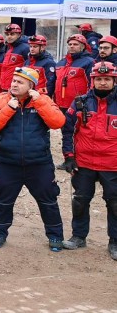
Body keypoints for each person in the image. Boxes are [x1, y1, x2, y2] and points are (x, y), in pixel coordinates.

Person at [0, 67, 67, 251]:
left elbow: (58, 122)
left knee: (48, 201)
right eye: (13, 80)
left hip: (39, 164)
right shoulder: (2, 100)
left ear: (31, 86)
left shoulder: (43, 100)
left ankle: (55, 236)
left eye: (20, 82)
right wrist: (9, 108)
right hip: (8, 163)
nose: (14, 84)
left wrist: (39, 102)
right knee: (3, 201)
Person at [60, 61, 117, 259]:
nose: (103, 82)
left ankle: (115, 241)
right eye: (99, 79)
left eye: (107, 79)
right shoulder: (80, 103)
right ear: (93, 80)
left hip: (112, 164)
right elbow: (67, 131)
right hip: (84, 163)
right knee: (80, 201)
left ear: (114, 81)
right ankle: (78, 236)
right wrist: (68, 156)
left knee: (115, 204)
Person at [54, 34, 96, 110]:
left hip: (78, 106)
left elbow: (92, 85)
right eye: (70, 44)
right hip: (59, 105)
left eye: (75, 44)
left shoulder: (89, 62)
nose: (72, 46)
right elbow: (53, 83)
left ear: (82, 47)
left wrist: (88, 103)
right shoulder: (61, 62)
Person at [0, 24, 30, 92]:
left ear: (19, 35)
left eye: (12, 34)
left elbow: (28, 68)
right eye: (7, 34)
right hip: (4, 86)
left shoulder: (25, 48)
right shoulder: (7, 47)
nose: (9, 36)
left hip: (16, 87)